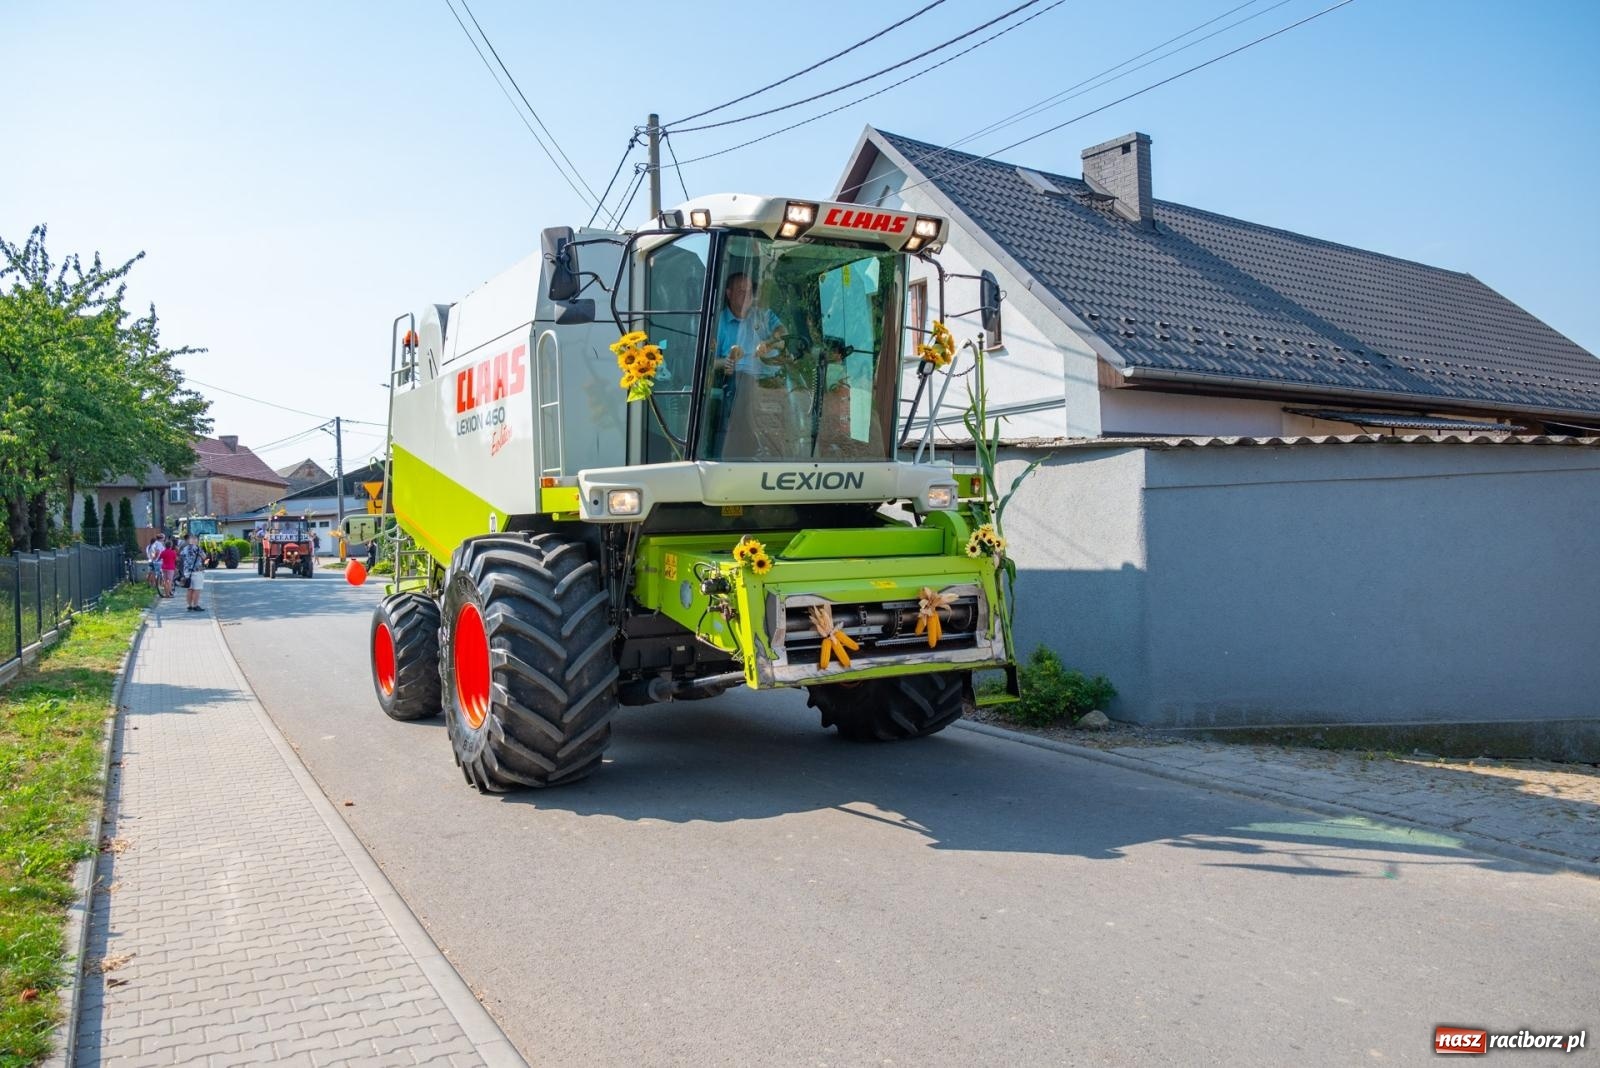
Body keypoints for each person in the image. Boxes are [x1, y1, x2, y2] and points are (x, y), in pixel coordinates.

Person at [713, 272, 792, 458]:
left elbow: (783, 333)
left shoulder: (763, 316)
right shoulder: (719, 323)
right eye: (741, 291)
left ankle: (787, 449)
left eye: (749, 292)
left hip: (772, 377)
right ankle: (750, 450)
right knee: (744, 392)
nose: (747, 296)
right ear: (728, 293)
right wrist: (724, 363)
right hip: (739, 379)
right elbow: (708, 363)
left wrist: (771, 341)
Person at [178, 533, 206, 612]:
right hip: (197, 571)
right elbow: (204, 557)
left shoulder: (185, 548)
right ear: (195, 540)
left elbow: (181, 557)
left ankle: (189, 605)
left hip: (187, 571)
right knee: (197, 589)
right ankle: (195, 605)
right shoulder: (197, 548)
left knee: (189, 589)